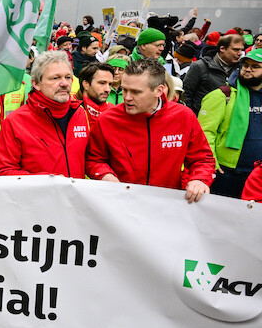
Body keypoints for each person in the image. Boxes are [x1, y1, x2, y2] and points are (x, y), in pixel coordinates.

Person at [86, 59, 215, 202]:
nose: (127, 97)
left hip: (168, 204)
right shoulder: (108, 119)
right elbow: (94, 160)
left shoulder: (183, 116)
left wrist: (200, 179)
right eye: (124, 90)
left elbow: (202, 158)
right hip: (121, 203)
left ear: (158, 91)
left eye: (136, 92)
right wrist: (106, 176)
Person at [0, 51, 89, 178]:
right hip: (37, 197)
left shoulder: (80, 113)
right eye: (55, 78)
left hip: (76, 196)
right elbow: (4, 172)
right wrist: (47, 181)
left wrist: (105, 174)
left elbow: (91, 160)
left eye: (67, 77)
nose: (64, 83)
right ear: (36, 84)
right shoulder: (15, 122)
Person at [198, 49, 262, 198]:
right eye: (245, 65)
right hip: (227, 172)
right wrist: (211, 163)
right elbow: (205, 132)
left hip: (257, 175)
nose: (248, 69)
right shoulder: (222, 95)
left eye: (255, 66)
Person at [184, 34, 245, 115]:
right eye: (236, 50)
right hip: (202, 119)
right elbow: (186, 95)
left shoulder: (241, 69)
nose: (240, 53)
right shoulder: (200, 66)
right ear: (222, 48)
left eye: (241, 50)